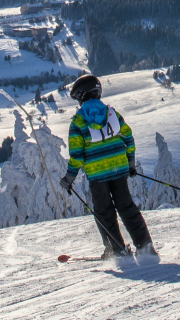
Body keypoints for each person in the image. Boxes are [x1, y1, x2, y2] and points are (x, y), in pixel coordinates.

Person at [60, 74, 155, 263]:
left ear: (80, 97)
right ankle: (145, 246)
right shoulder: (112, 114)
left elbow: (77, 155)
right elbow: (128, 138)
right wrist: (130, 163)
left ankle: (117, 250)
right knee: (127, 207)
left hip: (97, 174)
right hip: (118, 170)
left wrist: (69, 179)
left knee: (104, 212)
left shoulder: (78, 122)